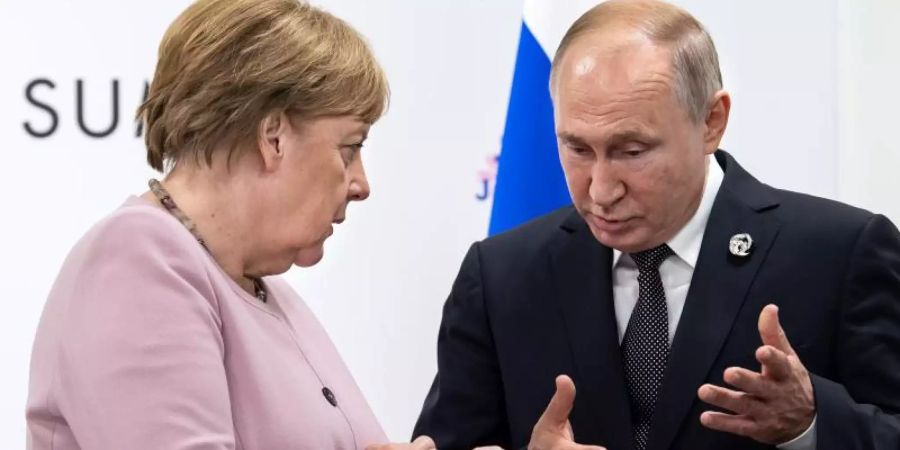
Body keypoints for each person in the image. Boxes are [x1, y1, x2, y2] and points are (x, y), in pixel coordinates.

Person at [413, 1, 900, 449]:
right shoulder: (501, 275)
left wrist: (811, 423)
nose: (600, 191)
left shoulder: (839, 254)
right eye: (578, 148)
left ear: (712, 120)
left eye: (632, 151)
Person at [25, 1, 435, 449]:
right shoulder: (139, 259)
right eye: (349, 148)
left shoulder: (262, 288)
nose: (360, 184)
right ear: (273, 136)